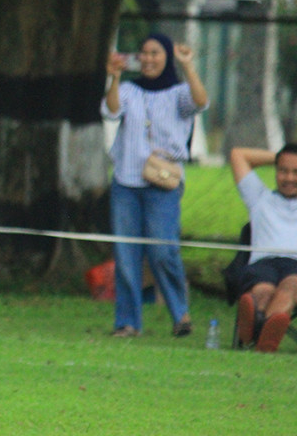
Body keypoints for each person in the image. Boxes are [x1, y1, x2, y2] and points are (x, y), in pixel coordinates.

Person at [102, 32, 209, 337]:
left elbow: (200, 102)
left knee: (163, 251)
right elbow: (111, 111)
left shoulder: (179, 93)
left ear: (167, 57)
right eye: (144, 53)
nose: (148, 59)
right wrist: (114, 77)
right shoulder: (129, 90)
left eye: (156, 53)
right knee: (126, 255)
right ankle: (128, 322)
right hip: (126, 182)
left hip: (163, 184)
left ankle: (180, 314)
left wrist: (188, 66)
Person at [228, 145, 297, 352]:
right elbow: (237, 155)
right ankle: (264, 334)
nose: (288, 178)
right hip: (263, 263)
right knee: (263, 292)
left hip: (294, 266)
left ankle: (258, 334)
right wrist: (279, 157)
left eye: (296, 172)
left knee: (290, 288)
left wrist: (285, 161)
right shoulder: (259, 197)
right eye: (283, 170)